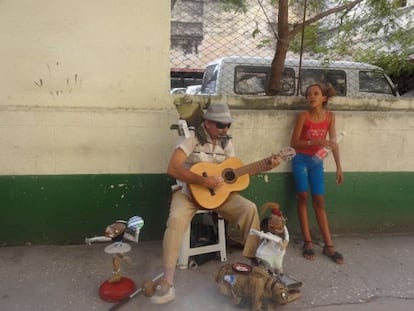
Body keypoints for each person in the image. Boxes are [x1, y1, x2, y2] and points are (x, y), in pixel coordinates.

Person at [150, 103, 280, 304]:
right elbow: (173, 168)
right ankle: (167, 280)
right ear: (207, 123)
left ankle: (257, 267)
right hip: (187, 193)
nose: (225, 130)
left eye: (228, 125)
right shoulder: (191, 137)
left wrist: (265, 166)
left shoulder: (226, 143)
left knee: (249, 209)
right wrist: (202, 181)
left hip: (219, 196)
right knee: (175, 220)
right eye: (220, 125)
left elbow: (233, 173)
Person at [289, 83, 344, 265]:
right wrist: (317, 140)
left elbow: (333, 143)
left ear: (324, 98)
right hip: (300, 160)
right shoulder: (303, 116)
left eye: (315, 93)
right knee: (303, 197)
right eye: (309, 94)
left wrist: (338, 166)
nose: (311, 97)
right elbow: (294, 142)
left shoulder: (330, 117)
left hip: (316, 162)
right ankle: (308, 241)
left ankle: (329, 245)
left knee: (319, 200)